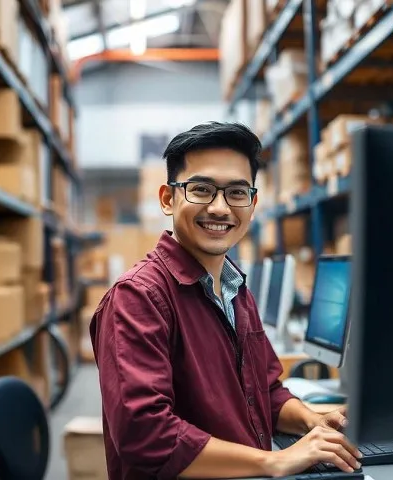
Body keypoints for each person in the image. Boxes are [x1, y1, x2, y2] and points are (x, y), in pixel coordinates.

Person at [90, 122, 363, 480]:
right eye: (201, 189)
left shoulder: (235, 289)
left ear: (252, 203)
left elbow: (265, 392)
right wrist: (275, 461)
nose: (220, 209)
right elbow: (145, 435)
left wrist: (310, 419)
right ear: (168, 198)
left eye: (236, 193)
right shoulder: (138, 298)